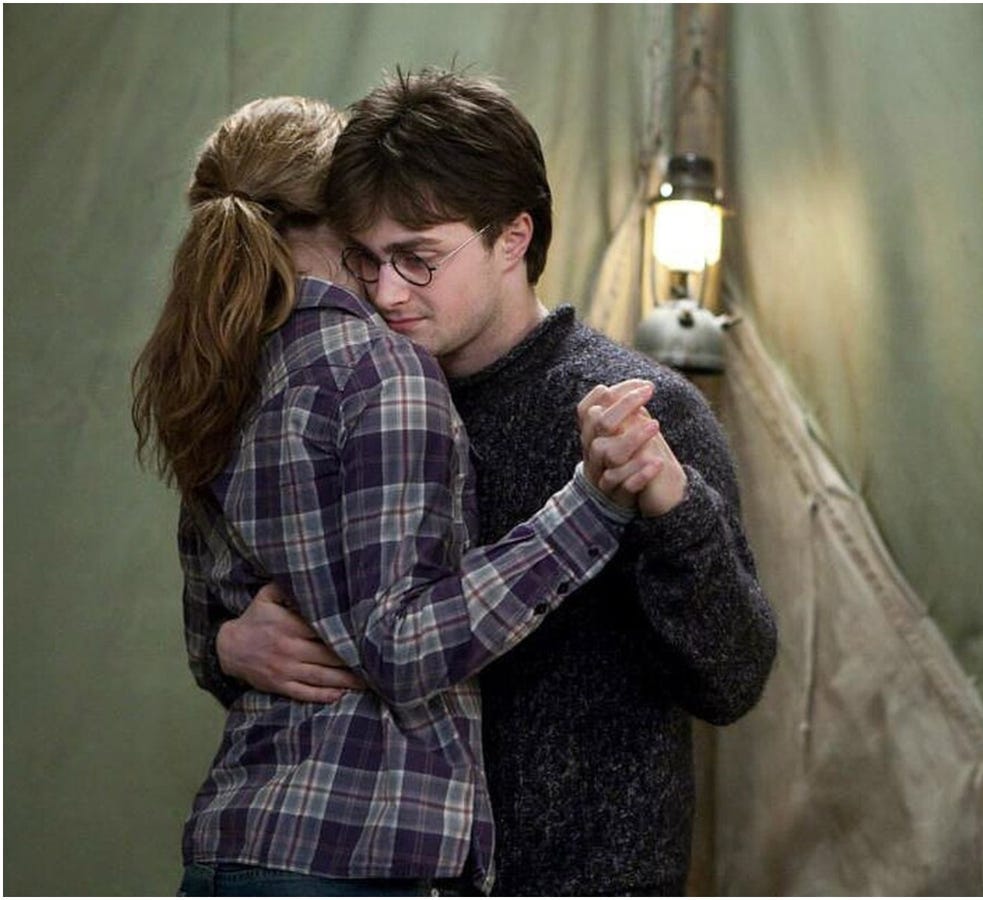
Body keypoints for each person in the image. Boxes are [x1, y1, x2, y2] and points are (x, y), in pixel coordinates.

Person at [211, 69, 778, 896]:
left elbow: (732, 680)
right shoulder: (344, 396)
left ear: (513, 237)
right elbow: (236, 579)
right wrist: (226, 644)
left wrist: (674, 507)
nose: (387, 291)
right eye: (366, 259)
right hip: (384, 877)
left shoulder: (639, 412)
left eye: (418, 258)